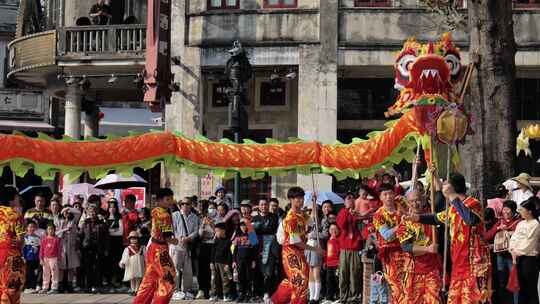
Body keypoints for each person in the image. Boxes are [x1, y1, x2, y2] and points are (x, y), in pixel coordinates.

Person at [404, 172, 491, 304]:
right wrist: (417, 218)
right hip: (458, 266)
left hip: (474, 265)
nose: (443, 187)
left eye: (446, 184)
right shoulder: (452, 209)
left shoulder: (473, 203)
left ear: (452, 187)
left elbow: (470, 220)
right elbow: (435, 218)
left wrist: (452, 196)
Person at [271, 186, 324, 304]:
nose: (300, 200)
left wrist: (314, 202)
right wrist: (315, 249)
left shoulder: (301, 214)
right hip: (290, 252)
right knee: (300, 279)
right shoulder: (291, 218)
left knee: (299, 279)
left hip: (299, 252)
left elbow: (312, 221)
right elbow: (297, 241)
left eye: (302, 198)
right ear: (291, 199)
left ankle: (276, 300)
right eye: (297, 198)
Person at [396, 189, 442, 304]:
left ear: (423, 201)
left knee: (434, 300)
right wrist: (427, 249)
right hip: (413, 271)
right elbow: (406, 247)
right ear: (407, 202)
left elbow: (440, 197)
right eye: (411, 201)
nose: (415, 204)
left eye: (417, 200)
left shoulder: (431, 216)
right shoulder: (405, 222)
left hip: (432, 269)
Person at [133, 188, 178, 304]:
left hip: (152, 247)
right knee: (169, 278)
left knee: (150, 279)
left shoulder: (155, 210)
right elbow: (168, 237)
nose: (170, 201)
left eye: (171, 199)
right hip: (160, 250)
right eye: (167, 199)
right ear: (159, 200)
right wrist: (176, 241)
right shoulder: (165, 215)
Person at [372, 183, 407, 304]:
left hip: (407, 249)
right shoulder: (378, 215)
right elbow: (387, 235)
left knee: (409, 284)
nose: (388, 197)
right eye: (385, 194)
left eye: (391, 193)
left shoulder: (401, 205)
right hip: (390, 254)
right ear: (380, 197)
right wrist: (402, 224)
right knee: (396, 286)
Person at [484, 200, 520, 304]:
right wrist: (498, 228)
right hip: (500, 256)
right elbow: (487, 236)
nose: (505, 213)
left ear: (513, 212)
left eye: (508, 211)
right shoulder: (500, 222)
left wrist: (510, 233)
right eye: (504, 210)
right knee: (502, 281)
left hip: (511, 257)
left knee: (514, 281)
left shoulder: (518, 222)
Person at [509, 197, 540, 304]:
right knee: (521, 288)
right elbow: (514, 238)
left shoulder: (535, 224)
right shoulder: (520, 223)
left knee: (530, 289)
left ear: (529, 211)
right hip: (518, 257)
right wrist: (512, 249)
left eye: (522, 210)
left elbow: (529, 243)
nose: (520, 212)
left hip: (529, 259)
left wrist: (517, 252)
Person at [336, 192, 364, 304]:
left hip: (355, 248)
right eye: (347, 198)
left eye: (352, 198)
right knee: (343, 274)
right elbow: (342, 224)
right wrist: (347, 210)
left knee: (355, 274)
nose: (350, 200)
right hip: (344, 248)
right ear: (344, 201)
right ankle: (343, 297)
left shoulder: (357, 213)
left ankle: (354, 298)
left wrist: (354, 214)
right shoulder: (342, 212)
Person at [170, 196, 199, 300]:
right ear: (180, 205)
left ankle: (186, 290)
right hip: (176, 246)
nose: (185, 206)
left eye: (187, 204)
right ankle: (175, 291)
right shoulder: (175, 215)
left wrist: (188, 238)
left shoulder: (195, 217)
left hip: (188, 246)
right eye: (183, 204)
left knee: (188, 270)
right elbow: (171, 230)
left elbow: (196, 231)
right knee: (175, 269)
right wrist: (179, 238)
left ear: (191, 205)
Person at [0, 186, 26, 303]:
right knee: (12, 288)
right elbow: (20, 239)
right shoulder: (16, 215)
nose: (18, 199)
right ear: (11, 199)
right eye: (17, 197)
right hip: (11, 255)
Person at [252, 198, 280, 301]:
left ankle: (268, 292)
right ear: (259, 206)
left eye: (265, 205)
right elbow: (251, 234)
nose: (264, 206)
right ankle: (258, 293)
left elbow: (271, 229)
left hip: (270, 246)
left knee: (269, 271)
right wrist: (258, 228)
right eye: (262, 205)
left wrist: (258, 228)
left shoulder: (274, 217)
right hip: (257, 246)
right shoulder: (254, 218)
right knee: (258, 271)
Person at [80, 205, 109, 293]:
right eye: (90, 211)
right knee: (88, 267)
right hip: (87, 248)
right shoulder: (85, 223)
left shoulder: (102, 223)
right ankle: (89, 286)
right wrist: (79, 247)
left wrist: (106, 249)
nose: (92, 213)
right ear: (88, 213)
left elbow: (106, 237)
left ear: (97, 212)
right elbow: (81, 235)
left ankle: (98, 286)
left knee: (98, 267)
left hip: (98, 247)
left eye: (94, 211)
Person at [233, 219, 258, 302]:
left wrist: (254, 260)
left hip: (249, 259)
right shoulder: (237, 235)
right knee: (240, 277)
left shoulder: (252, 235)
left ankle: (248, 294)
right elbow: (235, 249)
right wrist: (234, 261)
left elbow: (255, 249)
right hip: (239, 259)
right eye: (241, 225)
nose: (243, 227)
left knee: (248, 277)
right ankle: (241, 293)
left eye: (245, 225)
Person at [56, 207, 80, 293]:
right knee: (61, 267)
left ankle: (70, 285)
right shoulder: (59, 222)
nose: (66, 213)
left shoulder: (73, 221)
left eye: (68, 212)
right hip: (61, 247)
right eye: (65, 212)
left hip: (71, 246)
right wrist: (64, 229)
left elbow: (78, 212)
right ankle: (60, 284)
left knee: (71, 266)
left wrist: (69, 208)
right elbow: (56, 233)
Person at [105, 199, 124, 292]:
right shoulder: (104, 218)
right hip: (107, 243)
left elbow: (120, 232)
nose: (112, 209)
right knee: (108, 262)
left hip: (117, 242)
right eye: (110, 207)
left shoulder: (119, 218)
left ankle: (117, 281)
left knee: (117, 261)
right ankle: (108, 281)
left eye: (113, 207)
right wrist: (112, 231)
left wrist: (110, 231)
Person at [211, 222, 233, 302]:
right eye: (215, 231)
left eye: (217, 231)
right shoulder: (216, 240)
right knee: (214, 279)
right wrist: (211, 262)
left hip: (224, 263)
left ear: (223, 231)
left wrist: (227, 263)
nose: (216, 233)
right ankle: (214, 294)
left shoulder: (228, 240)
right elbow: (213, 251)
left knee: (225, 279)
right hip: (215, 262)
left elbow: (230, 253)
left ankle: (225, 294)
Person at [197, 200, 215, 300]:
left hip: (212, 244)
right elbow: (199, 234)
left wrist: (211, 224)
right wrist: (203, 225)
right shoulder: (199, 218)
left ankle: (210, 290)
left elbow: (216, 233)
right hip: (202, 245)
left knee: (210, 269)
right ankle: (202, 289)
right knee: (202, 269)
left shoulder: (214, 217)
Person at [119, 231, 146, 296]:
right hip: (131, 265)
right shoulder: (128, 248)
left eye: (135, 238)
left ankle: (137, 289)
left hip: (140, 264)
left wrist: (147, 263)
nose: (133, 240)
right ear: (129, 239)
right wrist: (123, 262)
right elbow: (125, 256)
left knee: (138, 278)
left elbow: (146, 256)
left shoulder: (142, 247)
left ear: (138, 239)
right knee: (132, 278)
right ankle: (133, 289)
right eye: (131, 238)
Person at [39, 223, 61, 294]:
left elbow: (59, 249)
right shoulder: (44, 240)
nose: (50, 231)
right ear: (47, 230)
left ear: (54, 230)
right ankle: (45, 287)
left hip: (54, 258)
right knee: (45, 273)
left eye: (52, 229)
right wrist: (41, 259)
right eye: (49, 229)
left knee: (54, 272)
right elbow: (41, 250)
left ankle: (54, 288)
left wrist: (59, 258)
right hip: (45, 258)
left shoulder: (56, 240)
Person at [23, 221, 41, 294]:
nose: (31, 228)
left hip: (35, 259)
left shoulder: (38, 238)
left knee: (35, 273)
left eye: (33, 227)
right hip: (27, 259)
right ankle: (27, 287)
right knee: (28, 273)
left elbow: (39, 249)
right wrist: (23, 257)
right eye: (30, 227)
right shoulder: (25, 237)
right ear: (27, 228)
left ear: (36, 228)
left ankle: (33, 287)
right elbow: (23, 248)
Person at [324, 223, 340, 303]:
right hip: (329, 264)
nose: (333, 231)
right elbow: (327, 252)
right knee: (329, 280)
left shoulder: (338, 240)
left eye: (335, 229)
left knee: (337, 280)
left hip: (336, 263)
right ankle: (329, 297)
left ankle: (338, 295)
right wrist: (325, 261)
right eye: (331, 229)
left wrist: (334, 239)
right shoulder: (328, 240)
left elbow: (338, 250)